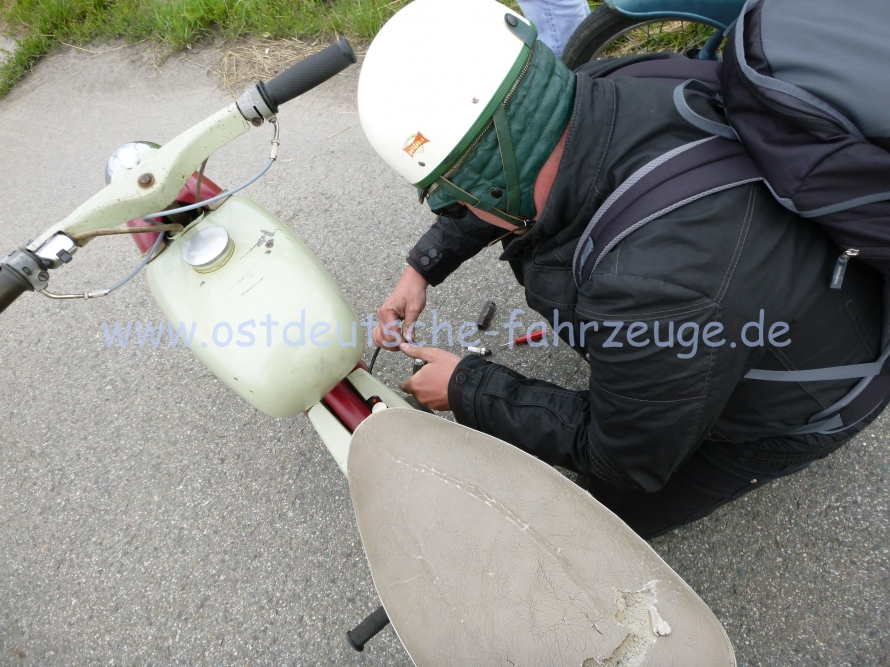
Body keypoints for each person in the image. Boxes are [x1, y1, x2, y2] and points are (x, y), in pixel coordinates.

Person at [356, 0, 886, 539]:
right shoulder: (598, 85)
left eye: (453, 200)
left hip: (812, 394)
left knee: (612, 511)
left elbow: (624, 457)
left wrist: (466, 386)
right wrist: (420, 269)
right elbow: (508, 180)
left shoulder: (650, 287)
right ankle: (658, 381)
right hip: (783, 291)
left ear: (493, 177)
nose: (457, 212)